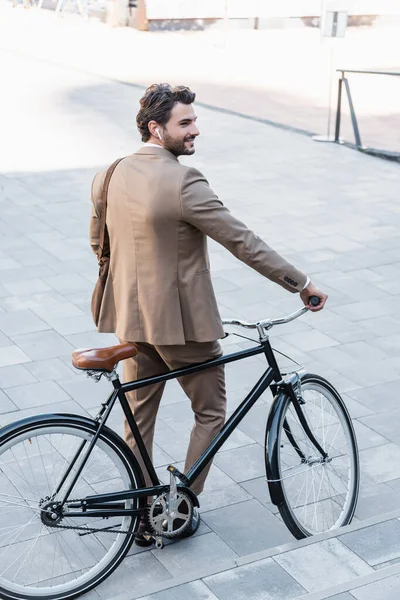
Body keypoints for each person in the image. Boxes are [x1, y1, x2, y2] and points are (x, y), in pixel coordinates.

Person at [89, 83, 328, 545]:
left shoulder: (110, 173)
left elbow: (100, 245)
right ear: (156, 129)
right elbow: (241, 240)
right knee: (211, 410)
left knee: (139, 417)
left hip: (132, 320)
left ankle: (144, 512)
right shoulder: (184, 180)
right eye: (186, 123)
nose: (196, 129)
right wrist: (301, 283)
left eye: (195, 120)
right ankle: (178, 507)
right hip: (180, 326)